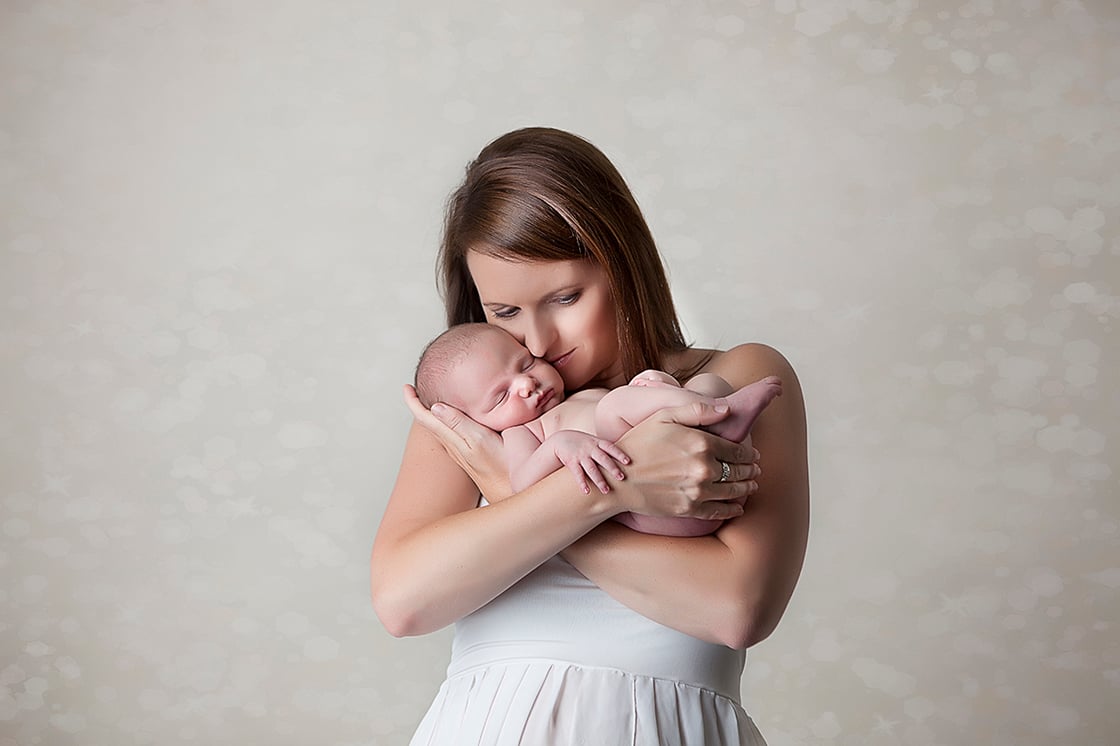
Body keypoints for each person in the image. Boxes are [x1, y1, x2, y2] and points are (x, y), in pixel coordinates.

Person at [371, 127, 809, 745]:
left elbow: (735, 608)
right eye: (503, 313)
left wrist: (511, 492)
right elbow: (404, 601)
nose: (539, 342)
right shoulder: (481, 406)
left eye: (566, 297)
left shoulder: (731, 377)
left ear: (622, 260)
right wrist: (600, 494)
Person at [413, 321, 784, 537]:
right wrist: (560, 445)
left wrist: (649, 384)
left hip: (704, 474)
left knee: (702, 382)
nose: (526, 385)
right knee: (614, 407)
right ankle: (713, 412)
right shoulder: (522, 433)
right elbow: (523, 483)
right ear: (478, 421)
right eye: (500, 397)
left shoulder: (583, 392)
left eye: (526, 364)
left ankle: (721, 414)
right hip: (655, 510)